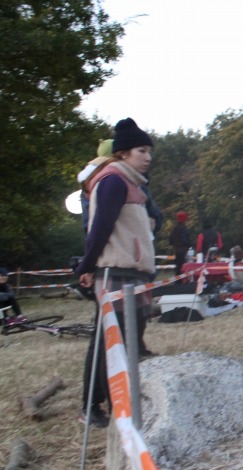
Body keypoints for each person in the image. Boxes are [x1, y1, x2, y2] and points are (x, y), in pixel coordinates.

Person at [74, 117, 157, 427]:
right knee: (107, 343)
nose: (148, 156)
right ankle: (90, 407)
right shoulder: (112, 180)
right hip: (115, 272)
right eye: (141, 150)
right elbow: (99, 228)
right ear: (122, 153)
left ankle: (117, 401)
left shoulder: (131, 183)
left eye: (149, 150)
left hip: (133, 273)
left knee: (126, 343)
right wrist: (86, 266)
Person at [169, 211, 193, 276]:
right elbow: (184, 240)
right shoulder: (184, 228)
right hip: (184, 251)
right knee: (184, 267)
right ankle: (183, 282)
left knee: (178, 268)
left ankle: (177, 282)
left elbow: (170, 240)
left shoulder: (174, 229)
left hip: (176, 251)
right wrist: (190, 244)